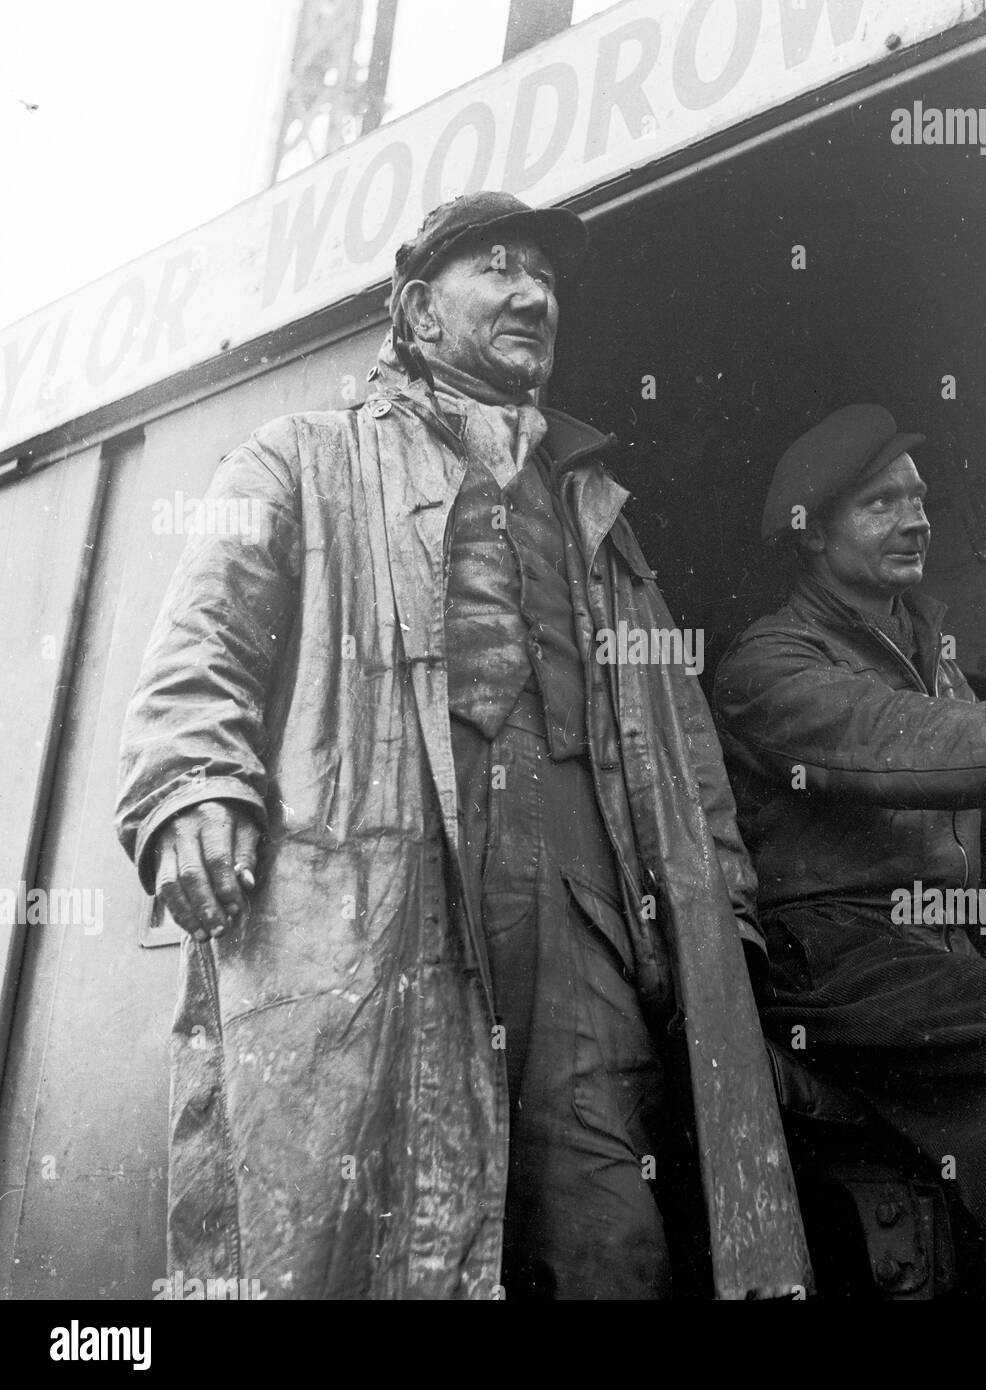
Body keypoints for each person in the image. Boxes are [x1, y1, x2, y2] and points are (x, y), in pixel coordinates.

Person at [116, 192, 808, 1301]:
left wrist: (720, 928)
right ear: (417, 311)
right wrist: (193, 784)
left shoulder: (600, 519)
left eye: (546, 278)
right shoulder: (301, 457)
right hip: (388, 883)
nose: (534, 294)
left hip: (585, 910)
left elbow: (682, 748)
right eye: (498, 269)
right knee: (373, 1236)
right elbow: (202, 642)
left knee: (606, 1244)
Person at [711, 403, 986, 1296]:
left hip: (936, 948)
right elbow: (896, 741)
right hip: (840, 960)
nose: (916, 518)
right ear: (812, 535)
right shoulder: (771, 664)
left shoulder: (923, 651)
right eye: (881, 503)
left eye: (919, 498)